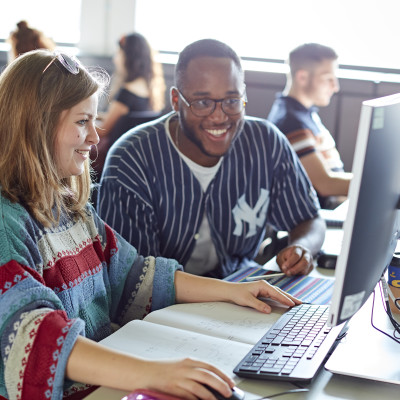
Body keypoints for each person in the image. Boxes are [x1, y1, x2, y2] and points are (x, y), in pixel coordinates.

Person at [0, 49, 302, 400]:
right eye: (82, 122)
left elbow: (133, 275)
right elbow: (32, 338)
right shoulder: (7, 225)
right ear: (36, 126)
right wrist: (154, 374)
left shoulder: (69, 208)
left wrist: (233, 290)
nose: (96, 138)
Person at [98, 39, 326, 280]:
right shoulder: (132, 158)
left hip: (241, 290)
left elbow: (309, 219)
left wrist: (303, 248)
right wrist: (228, 294)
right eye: (203, 103)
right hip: (161, 308)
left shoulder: (266, 142)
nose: (219, 117)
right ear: (176, 101)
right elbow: (132, 279)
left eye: (231, 101)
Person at [267, 43, 353, 209]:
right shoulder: (292, 122)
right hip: (316, 216)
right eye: (328, 78)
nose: (335, 87)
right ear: (302, 77)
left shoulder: (305, 114)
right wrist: (378, 183)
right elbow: (326, 184)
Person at [98, 32, 166, 137]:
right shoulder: (149, 90)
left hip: (112, 149)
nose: (115, 59)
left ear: (127, 58)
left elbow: (102, 131)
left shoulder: (126, 94)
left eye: (118, 53)